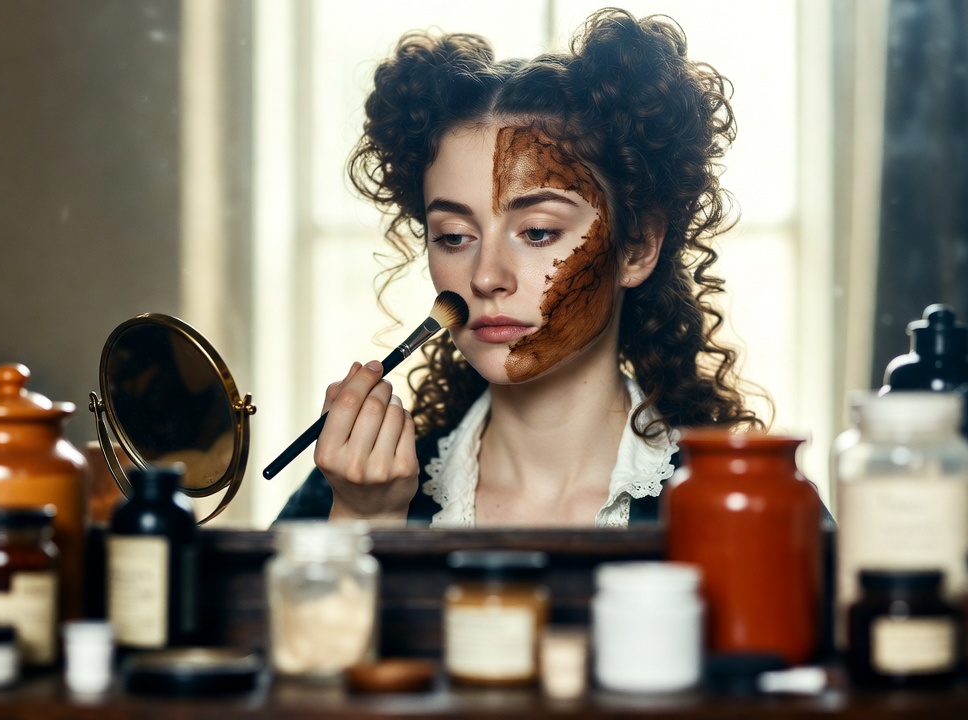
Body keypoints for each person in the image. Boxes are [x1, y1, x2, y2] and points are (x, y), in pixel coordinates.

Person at [276, 8, 764, 528]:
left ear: (637, 247)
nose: (486, 277)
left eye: (536, 232)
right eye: (454, 237)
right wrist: (365, 521)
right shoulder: (351, 494)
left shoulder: (744, 502)